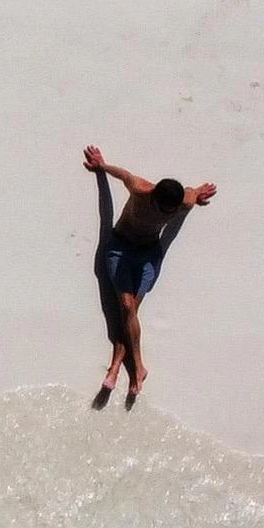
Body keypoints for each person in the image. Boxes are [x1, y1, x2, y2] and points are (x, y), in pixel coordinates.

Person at [83, 144, 216, 411]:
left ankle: (118, 368)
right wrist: (101, 167)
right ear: (154, 195)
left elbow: (190, 193)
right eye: (164, 208)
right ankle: (135, 367)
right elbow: (121, 178)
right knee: (126, 307)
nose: (169, 214)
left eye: (172, 210)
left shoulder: (182, 202)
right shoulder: (141, 189)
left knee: (129, 311)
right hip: (119, 248)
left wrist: (199, 191)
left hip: (148, 255)